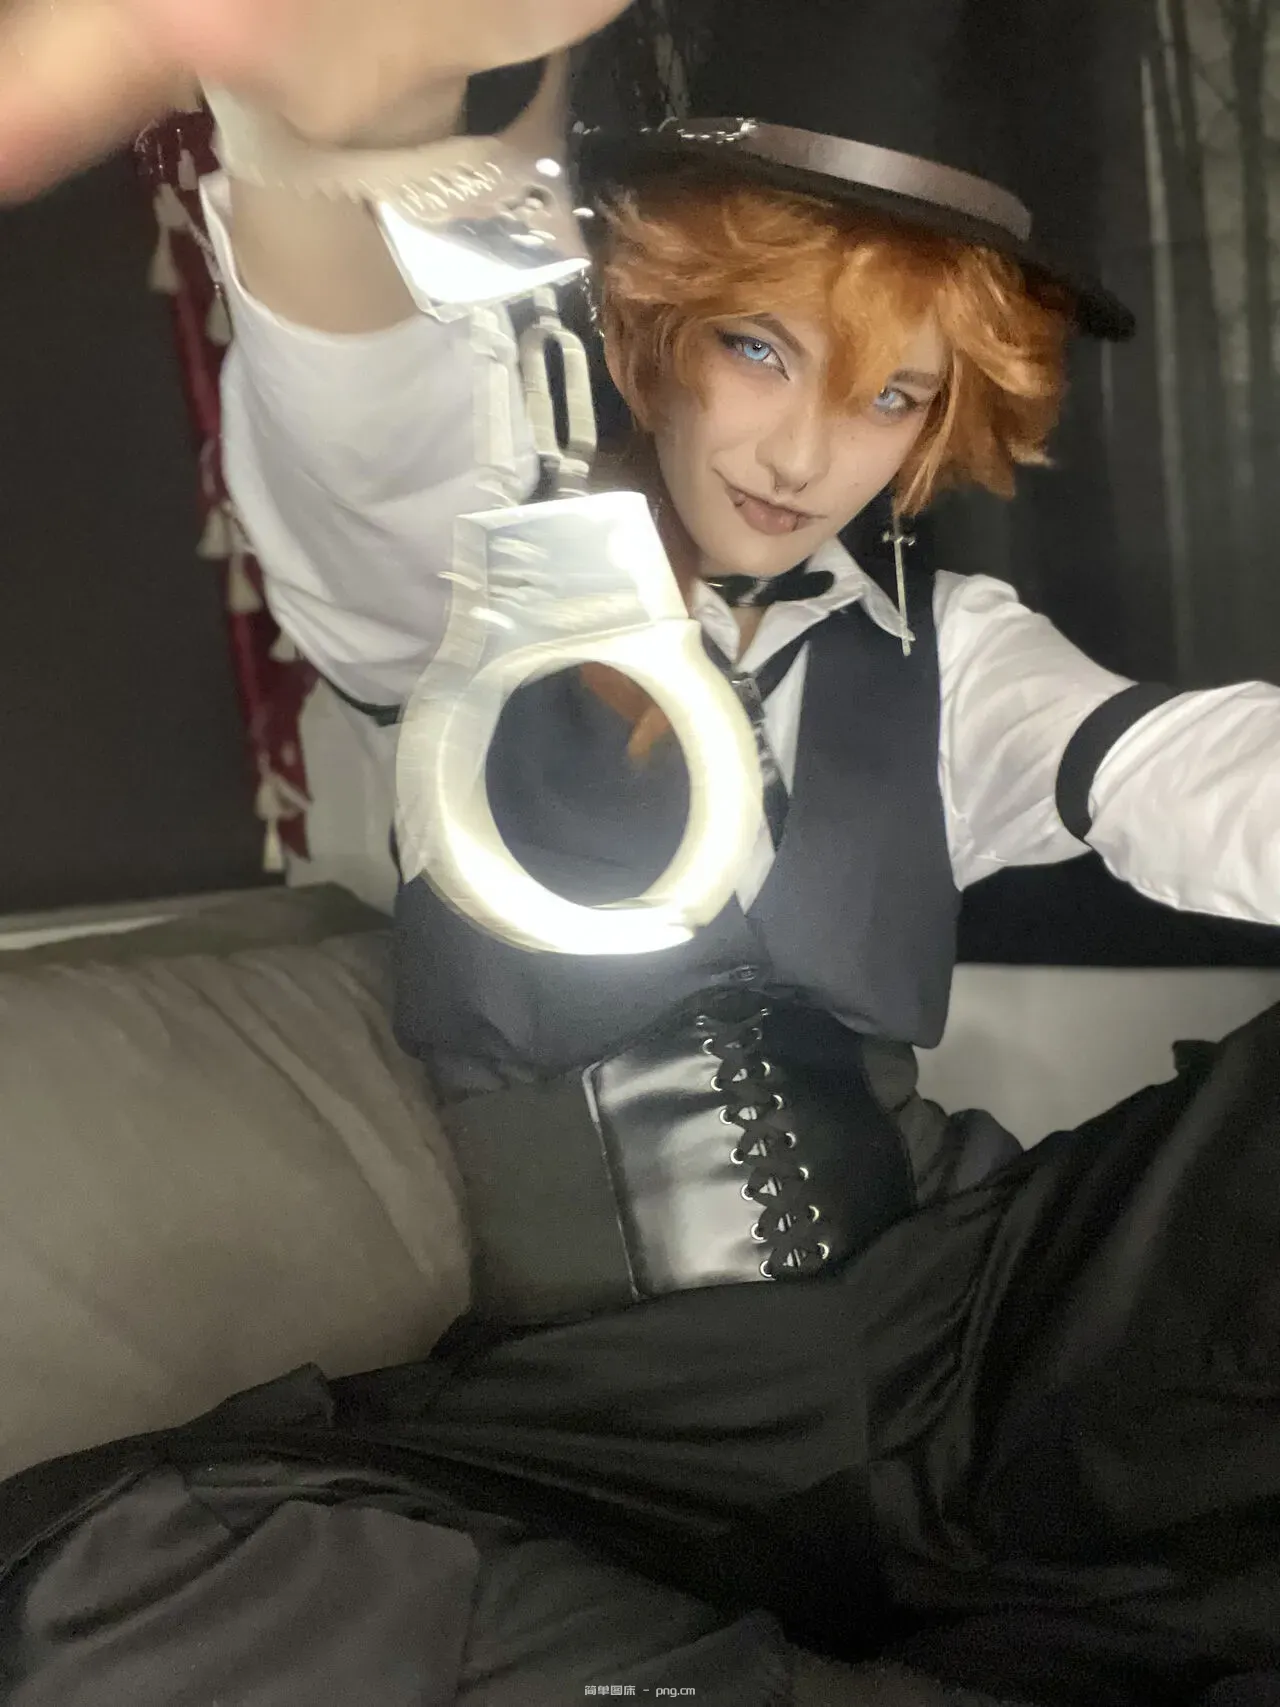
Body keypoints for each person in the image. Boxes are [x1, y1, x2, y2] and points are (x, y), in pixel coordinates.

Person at [2, 2, 1280, 1703]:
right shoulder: (476, 586)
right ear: (655, 318)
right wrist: (312, 152)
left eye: (891, 393)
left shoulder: (949, 644)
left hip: (978, 1323)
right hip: (627, 1419)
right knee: (103, 1579)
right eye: (763, 346)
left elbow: (1186, 775)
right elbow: (361, 426)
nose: (809, 452)